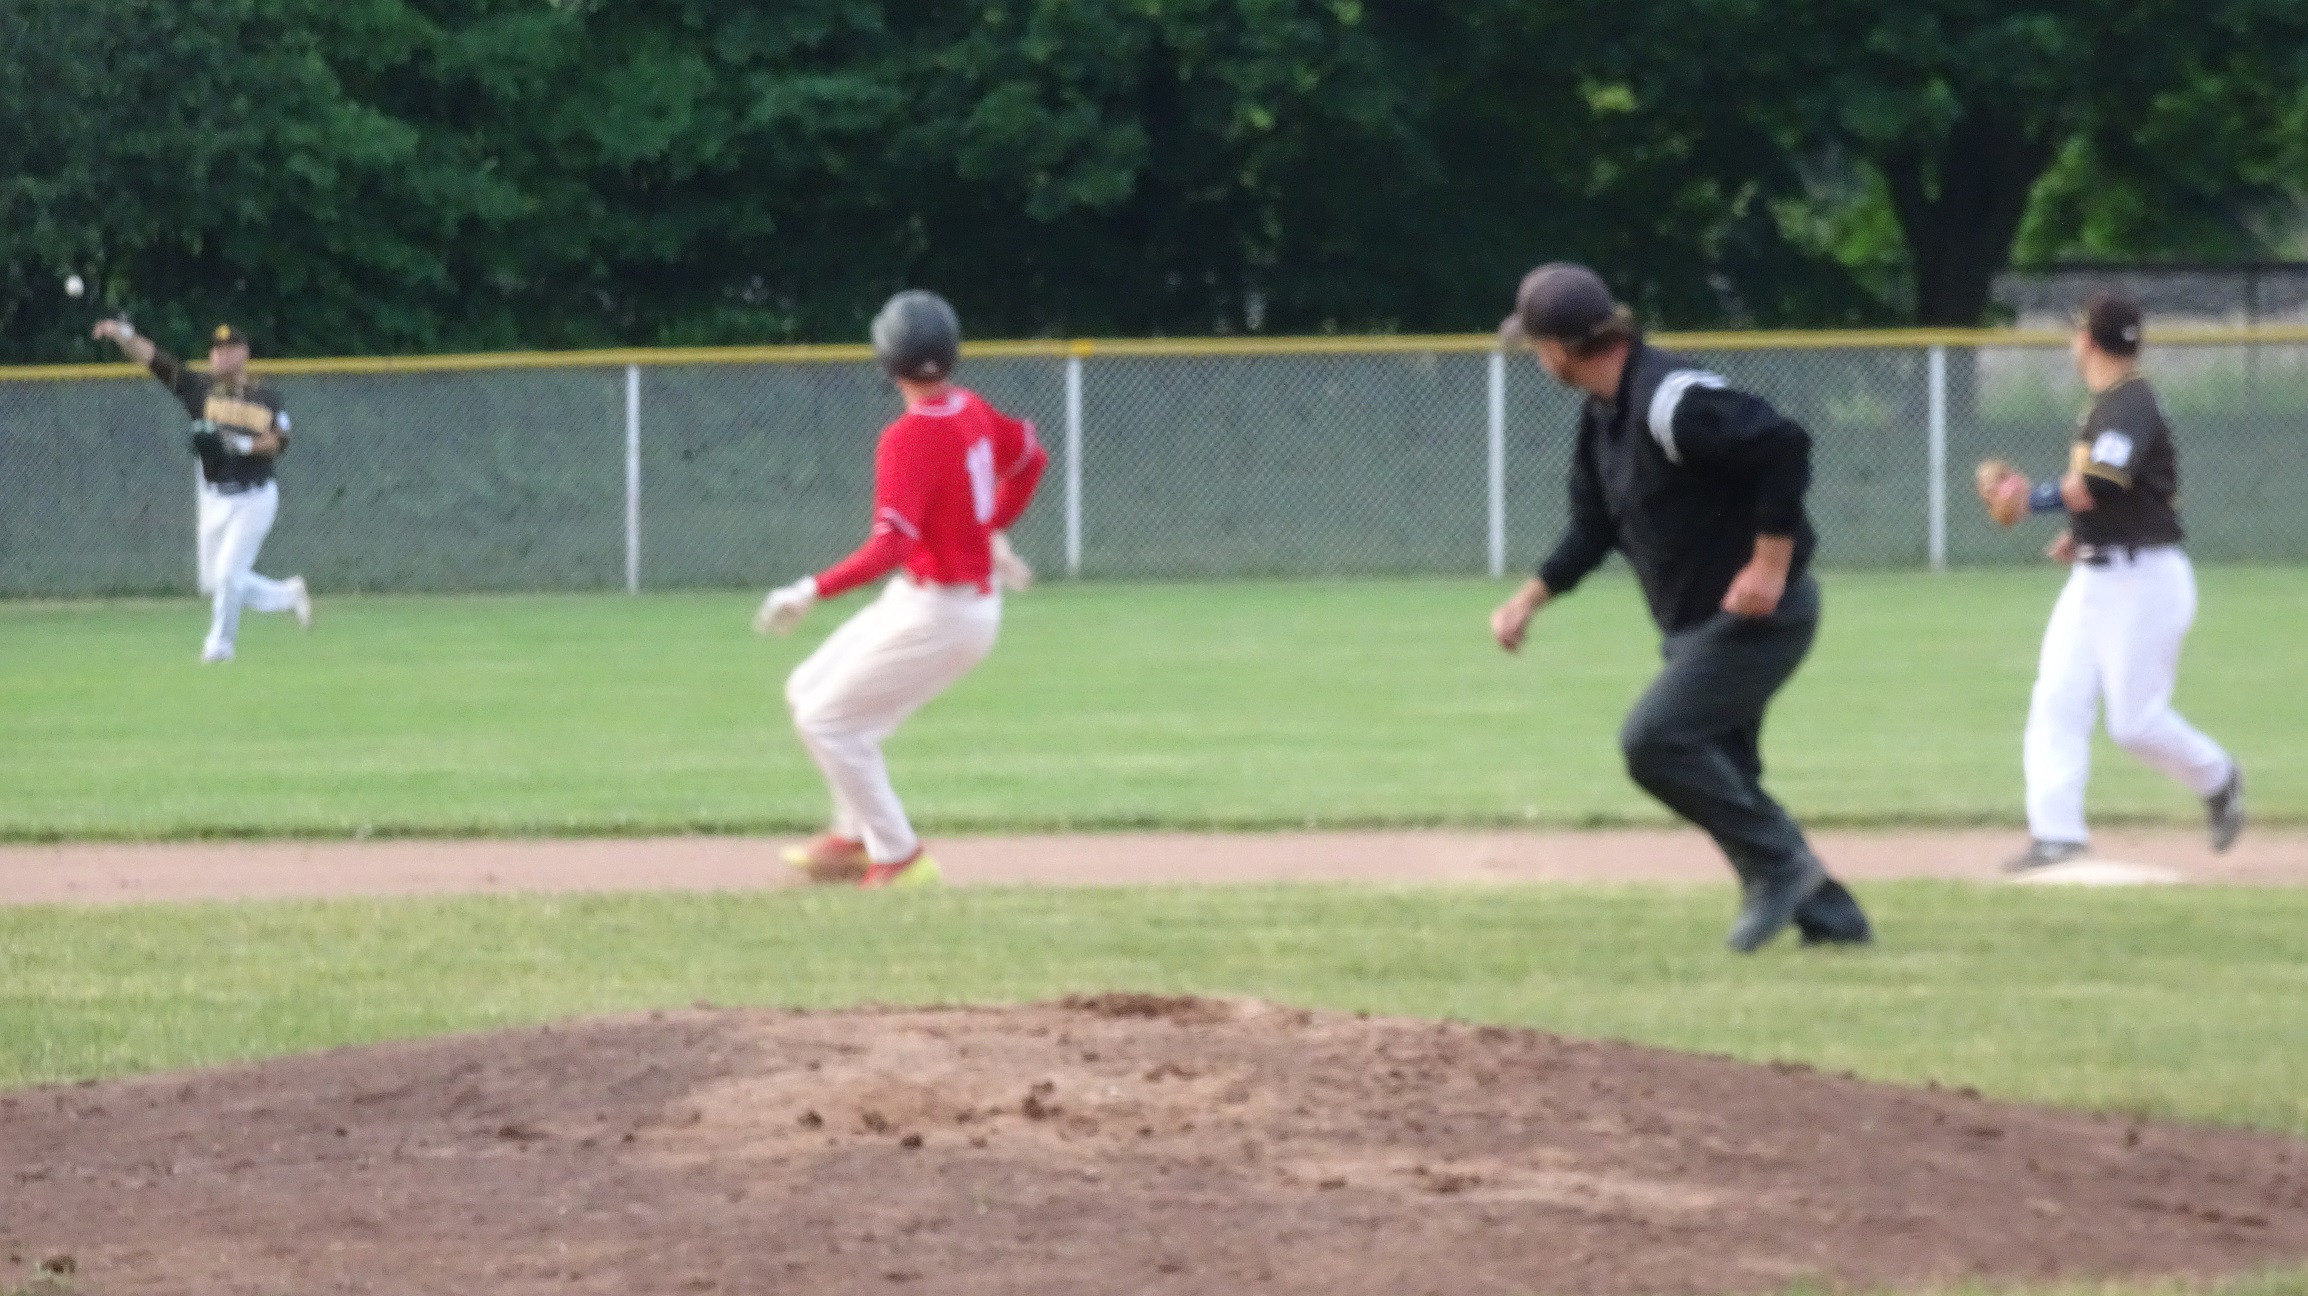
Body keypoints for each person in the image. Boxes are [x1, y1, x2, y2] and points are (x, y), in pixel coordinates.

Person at [1490, 263, 1871, 952]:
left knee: (1656, 742)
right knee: (1725, 776)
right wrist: (1529, 599)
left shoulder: (1672, 402)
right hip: (1697, 626)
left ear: (1562, 347)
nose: (1537, 359)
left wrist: (1769, 563)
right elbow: (1593, 529)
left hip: (1759, 617)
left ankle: (1784, 871)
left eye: (1537, 344)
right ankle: (1831, 917)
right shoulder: (1603, 418)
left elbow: (1782, 445)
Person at [752, 290, 1047, 889]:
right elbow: (1030, 459)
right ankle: (854, 837)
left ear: (887, 362)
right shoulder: (969, 409)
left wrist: (809, 589)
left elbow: (889, 547)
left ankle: (899, 856)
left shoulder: (907, 437)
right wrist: (991, 528)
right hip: (934, 603)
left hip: (944, 613)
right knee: (808, 689)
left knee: (830, 724)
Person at [1975, 293, 2244, 872]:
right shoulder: (2109, 405)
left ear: (2088, 340)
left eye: (2077, 332)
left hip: (2143, 580)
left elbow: (2099, 484)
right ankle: (2057, 834)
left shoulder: (2130, 404)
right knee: (2057, 696)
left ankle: (2219, 777)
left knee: (2134, 724)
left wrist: (2027, 499)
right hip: (2095, 576)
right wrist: (2080, 534)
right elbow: (2115, 496)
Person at [92, 319, 312, 662]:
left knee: (228, 576)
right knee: (216, 582)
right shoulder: (198, 388)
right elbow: (153, 358)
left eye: (229, 349)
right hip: (212, 497)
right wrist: (124, 335)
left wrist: (240, 444)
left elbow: (279, 441)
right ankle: (286, 595)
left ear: (244, 353)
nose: (221, 355)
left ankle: (219, 648)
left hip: (254, 497)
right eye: (216, 349)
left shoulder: (267, 396)